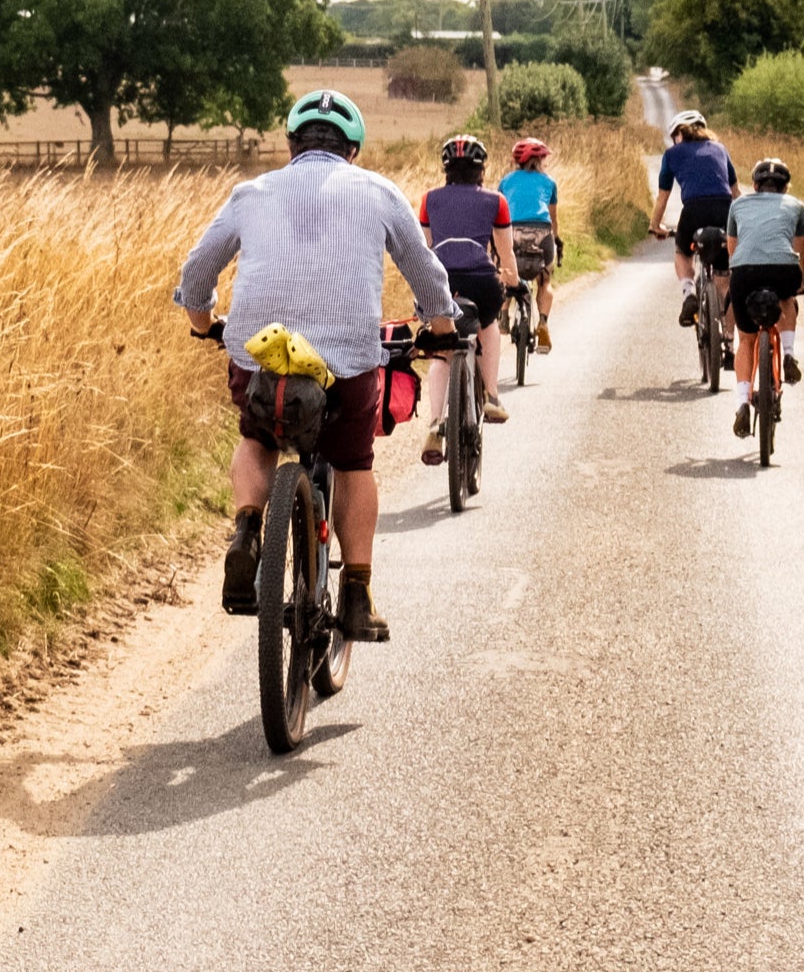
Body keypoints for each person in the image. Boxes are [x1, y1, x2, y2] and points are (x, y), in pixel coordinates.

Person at [175, 87, 458, 645]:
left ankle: (248, 529)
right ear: (352, 149)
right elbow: (426, 273)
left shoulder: (250, 193)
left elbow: (197, 271)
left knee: (257, 438)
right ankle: (357, 594)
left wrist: (206, 322)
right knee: (353, 461)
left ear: (291, 145)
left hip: (262, 354)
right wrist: (439, 328)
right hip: (347, 358)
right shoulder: (378, 191)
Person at [417, 134, 520, 463]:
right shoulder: (496, 201)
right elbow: (506, 253)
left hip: (439, 283)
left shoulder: (428, 199)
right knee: (489, 325)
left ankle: (435, 424)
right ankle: (491, 395)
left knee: (440, 352)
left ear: (446, 168)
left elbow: (427, 249)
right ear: (481, 169)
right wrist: (513, 280)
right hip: (481, 282)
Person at [725, 156, 804, 440]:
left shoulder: (737, 205)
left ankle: (741, 403)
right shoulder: (796, 206)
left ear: (755, 185)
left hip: (744, 271)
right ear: (785, 188)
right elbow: (800, 252)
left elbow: (733, 252)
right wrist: (799, 285)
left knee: (746, 340)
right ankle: (787, 353)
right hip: (783, 269)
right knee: (787, 296)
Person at [650, 109, 739, 325]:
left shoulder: (672, 155)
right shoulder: (720, 149)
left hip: (693, 211)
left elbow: (663, 198)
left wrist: (655, 226)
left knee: (682, 251)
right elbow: (736, 194)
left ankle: (688, 293)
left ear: (679, 134)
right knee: (724, 278)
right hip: (724, 210)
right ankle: (728, 341)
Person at [500, 137, 562, 353]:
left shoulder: (506, 181)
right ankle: (543, 323)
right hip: (542, 234)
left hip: (513, 232)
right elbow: (553, 219)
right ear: (539, 159)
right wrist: (557, 241)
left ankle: (504, 314)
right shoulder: (549, 182)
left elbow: (499, 215)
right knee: (544, 282)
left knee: (506, 274)